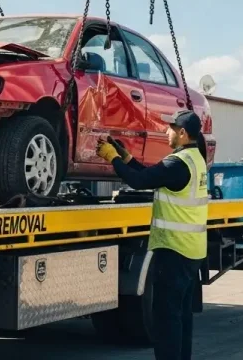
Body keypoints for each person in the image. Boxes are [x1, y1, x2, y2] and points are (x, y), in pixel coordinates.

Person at [96, 109, 209, 360]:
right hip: (192, 250)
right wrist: (125, 158)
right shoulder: (195, 159)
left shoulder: (177, 163)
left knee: (166, 319)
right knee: (181, 316)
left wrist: (112, 158)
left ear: (182, 133)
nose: (166, 132)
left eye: (170, 128)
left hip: (175, 250)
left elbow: (138, 182)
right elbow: (149, 176)